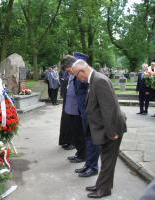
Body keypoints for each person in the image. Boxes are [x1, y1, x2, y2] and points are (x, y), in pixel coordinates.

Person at [71, 60, 127, 198]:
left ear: (82, 71)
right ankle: (101, 185)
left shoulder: (99, 80)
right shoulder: (94, 79)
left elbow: (109, 109)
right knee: (106, 159)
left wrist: (112, 132)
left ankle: (104, 189)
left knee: (108, 161)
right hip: (104, 128)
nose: (76, 78)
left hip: (111, 128)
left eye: (75, 75)